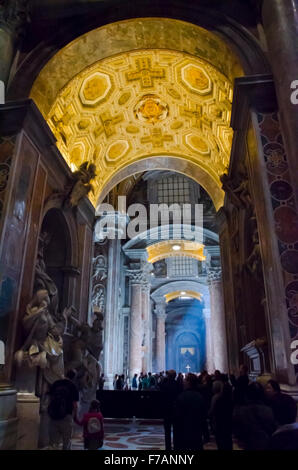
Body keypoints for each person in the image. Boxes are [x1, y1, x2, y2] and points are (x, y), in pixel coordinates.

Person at [233, 382, 277, 450]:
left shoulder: (241, 411)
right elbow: (271, 428)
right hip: (264, 443)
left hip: (248, 442)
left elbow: (237, 430)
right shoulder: (268, 410)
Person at [47, 369, 79, 450]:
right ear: (74, 377)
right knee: (66, 442)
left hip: (54, 415)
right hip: (67, 416)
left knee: (53, 443)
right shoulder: (73, 386)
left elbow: (50, 399)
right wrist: (75, 417)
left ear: (66, 374)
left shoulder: (56, 383)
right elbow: (75, 405)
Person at [173, 373, 206, 450]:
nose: (183, 381)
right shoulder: (200, 396)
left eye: (185, 380)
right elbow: (203, 415)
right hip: (196, 430)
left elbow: (177, 416)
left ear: (189, 382)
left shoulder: (181, 397)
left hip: (184, 430)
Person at [160, 369, 181, 450]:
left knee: (167, 431)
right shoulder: (178, 384)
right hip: (176, 410)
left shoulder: (164, 385)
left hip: (167, 410)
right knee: (177, 431)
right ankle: (176, 446)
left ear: (168, 376)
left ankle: (168, 447)